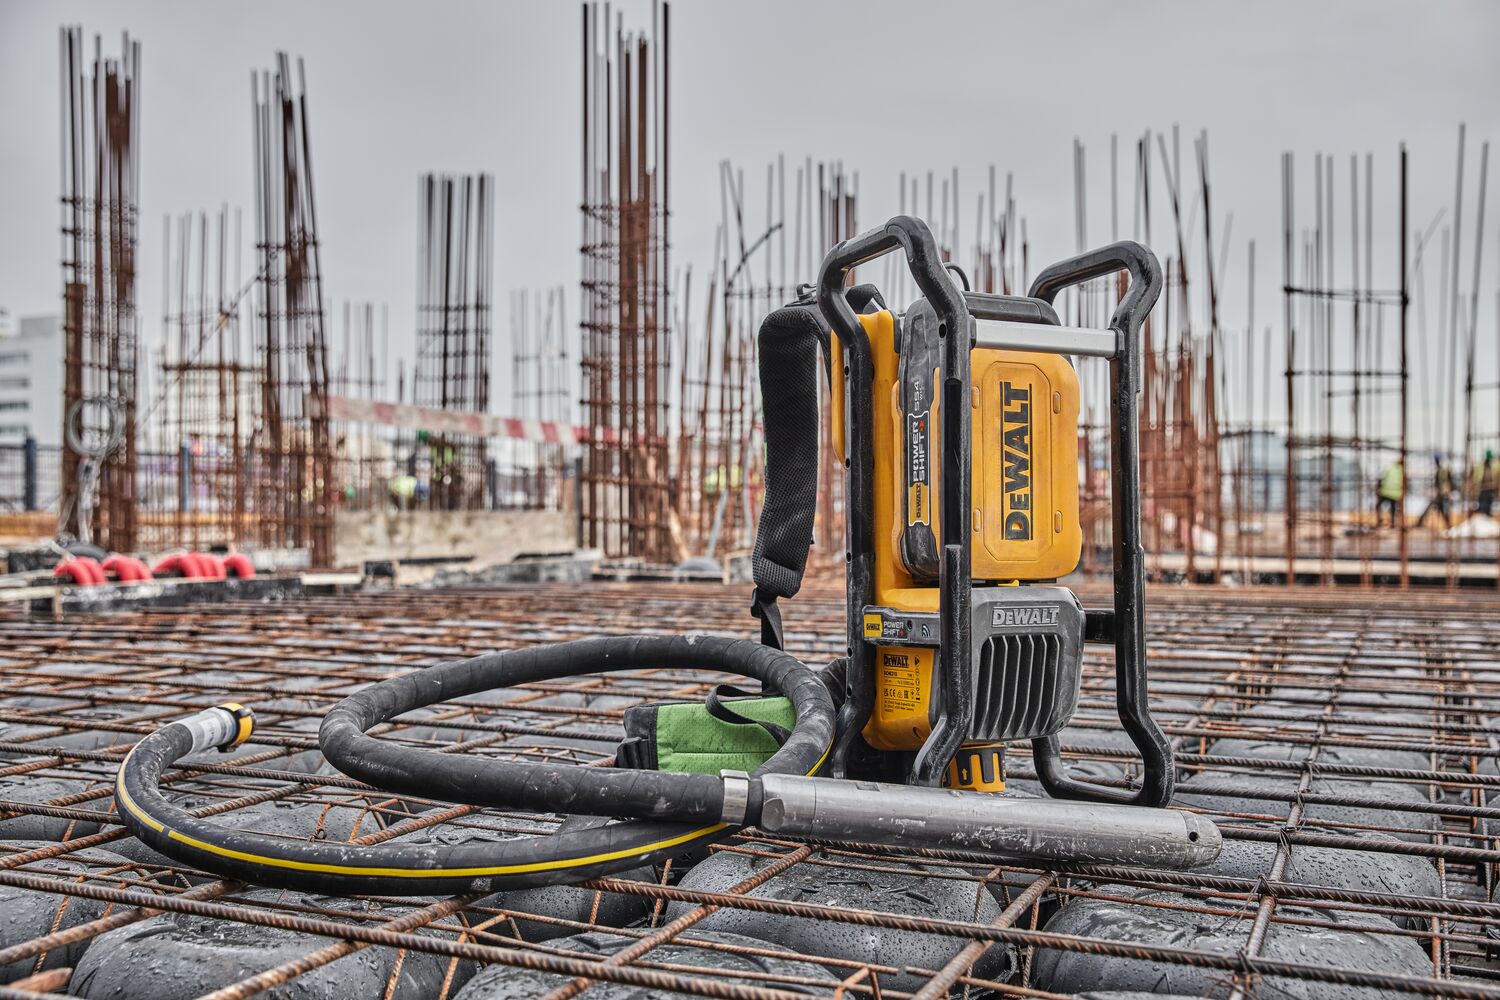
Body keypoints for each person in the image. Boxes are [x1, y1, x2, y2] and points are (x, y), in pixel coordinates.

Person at [1418, 453, 1454, 529]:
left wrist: (1445, 492)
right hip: (1443, 493)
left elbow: (1443, 483)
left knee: (1440, 509)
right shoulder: (1443, 470)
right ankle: (1448, 525)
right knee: (1441, 509)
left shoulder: (1441, 471)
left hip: (1442, 494)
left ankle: (1419, 523)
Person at [1376, 460, 1403, 528]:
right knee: (1393, 508)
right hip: (1395, 493)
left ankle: (1379, 521)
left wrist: (1378, 488)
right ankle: (1393, 523)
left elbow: (1381, 478)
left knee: (1378, 506)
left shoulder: (1389, 467)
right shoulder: (1401, 470)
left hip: (1385, 491)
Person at [1475, 450, 1500, 517]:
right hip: (1483, 490)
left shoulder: (1494, 466)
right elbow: (1477, 479)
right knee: (1483, 508)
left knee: (1488, 509)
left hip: (1489, 490)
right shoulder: (1481, 466)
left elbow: (1496, 479)